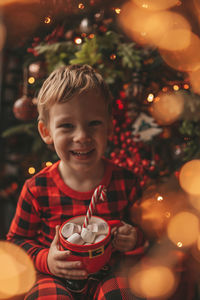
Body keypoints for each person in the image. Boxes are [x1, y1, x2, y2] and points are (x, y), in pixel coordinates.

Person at [7, 64, 146, 300]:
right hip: (53, 277)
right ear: (46, 131)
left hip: (110, 274)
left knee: (122, 293)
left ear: (110, 125)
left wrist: (135, 238)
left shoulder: (126, 182)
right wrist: (46, 261)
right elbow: (16, 243)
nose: (82, 136)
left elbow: (149, 234)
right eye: (67, 126)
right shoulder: (36, 189)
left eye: (94, 123)